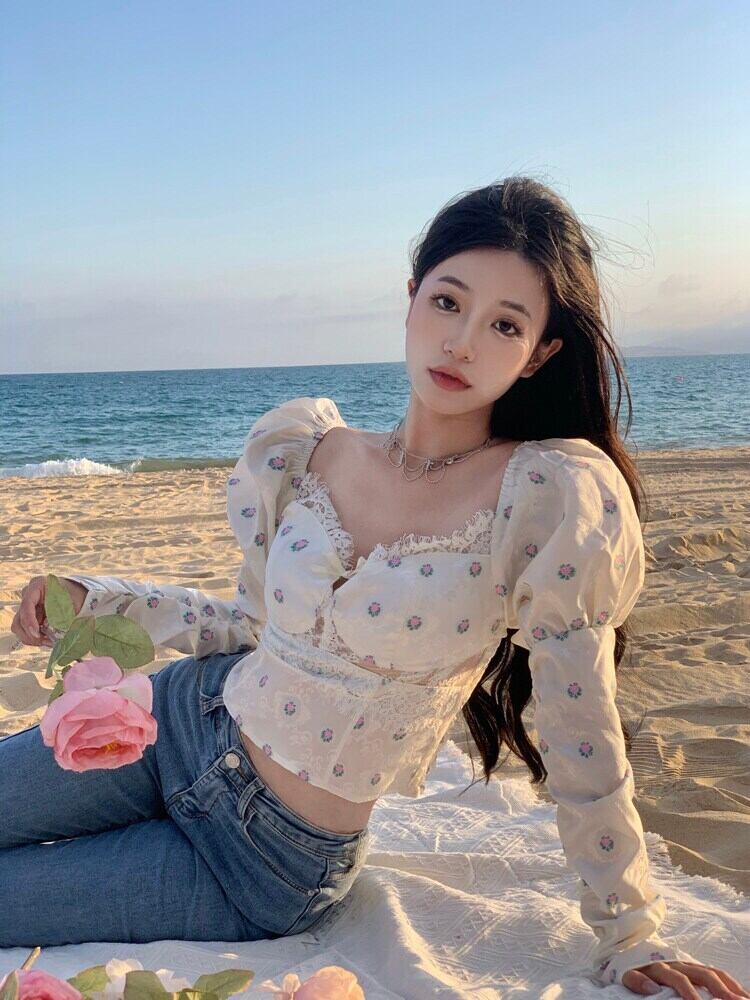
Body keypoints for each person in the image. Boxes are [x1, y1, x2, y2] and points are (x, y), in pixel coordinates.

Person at [6, 177, 747, 1000]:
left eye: (504, 324)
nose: (461, 341)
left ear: (540, 353)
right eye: (447, 302)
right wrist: (97, 596)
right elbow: (252, 627)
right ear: (411, 298)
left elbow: (581, 730)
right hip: (176, 721)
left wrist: (630, 931)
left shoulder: (545, 499)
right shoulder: (307, 450)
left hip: (261, 861)